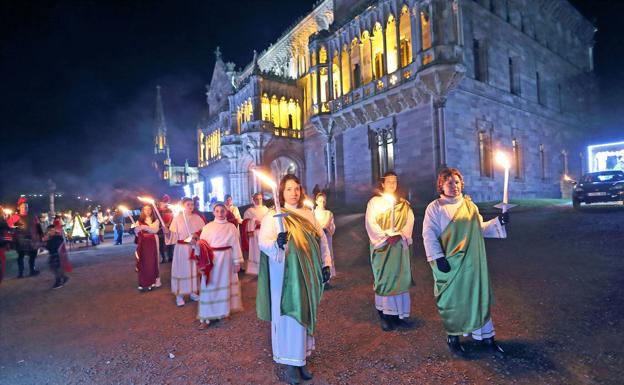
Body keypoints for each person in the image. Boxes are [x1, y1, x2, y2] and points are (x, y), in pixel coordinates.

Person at [422, 167, 509, 358]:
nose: (455, 186)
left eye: (457, 182)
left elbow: (479, 229)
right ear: (441, 186)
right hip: (450, 263)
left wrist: (498, 222)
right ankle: (453, 337)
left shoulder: (470, 206)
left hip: (472, 263)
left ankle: (487, 337)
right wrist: (437, 257)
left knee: (477, 296)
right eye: (450, 182)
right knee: (452, 300)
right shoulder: (435, 208)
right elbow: (429, 235)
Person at [257, 174, 332, 384]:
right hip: (284, 277)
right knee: (288, 318)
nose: (294, 193)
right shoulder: (273, 215)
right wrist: (277, 244)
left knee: (304, 315)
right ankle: (290, 364)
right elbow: (263, 242)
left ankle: (301, 361)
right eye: (289, 189)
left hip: (307, 275)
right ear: (281, 192)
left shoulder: (308, 214)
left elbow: (322, 240)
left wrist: (326, 264)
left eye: (297, 189)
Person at [365, 171, 415, 332]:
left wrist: (400, 235)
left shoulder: (403, 203)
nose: (392, 184)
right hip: (382, 247)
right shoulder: (374, 202)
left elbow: (409, 220)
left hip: (398, 247)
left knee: (399, 278)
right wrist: (386, 237)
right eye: (389, 182)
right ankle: (385, 316)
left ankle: (399, 316)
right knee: (385, 280)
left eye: (394, 182)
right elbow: (371, 223)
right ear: (382, 184)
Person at [195, 202, 243, 329]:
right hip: (212, 260)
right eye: (217, 211)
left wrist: (237, 261)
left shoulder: (231, 227)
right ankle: (206, 318)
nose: (220, 213)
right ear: (213, 212)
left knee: (225, 285)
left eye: (223, 211)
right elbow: (202, 244)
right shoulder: (208, 227)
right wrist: (196, 246)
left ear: (226, 212)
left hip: (227, 258)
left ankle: (223, 312)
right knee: (209, 285)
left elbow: (235, 245)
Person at [168, 197, 205, 307]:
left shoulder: (197, 218)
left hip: (193, 248)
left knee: (193, 270)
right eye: (188, 204)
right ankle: (179, 295)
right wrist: (167, 232)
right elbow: (172, 235)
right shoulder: (177, 218)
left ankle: (193, 292)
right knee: (182, 270)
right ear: (183, 205)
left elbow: (203, 231)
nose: (190, 206)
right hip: (182, 248)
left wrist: (196, 237)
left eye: (192, 204)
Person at [8, 197, 43, 278]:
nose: (25, 208)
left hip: (32, 240)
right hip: (20, 240)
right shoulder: (15, 216)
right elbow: (9, 225)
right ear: (19, 208)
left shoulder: (33, 216)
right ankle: (20, 273)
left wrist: (41, 236)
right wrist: (12, 223)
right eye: (23, 207)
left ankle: (32, 270)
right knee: (20, 256)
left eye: (26, 207)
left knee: (33, 256)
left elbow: (38, 226)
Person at [134, 204, 162, 292]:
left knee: (154, 260)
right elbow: (137, 233)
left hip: (153, 240)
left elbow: (155, 230)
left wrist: (144, 227)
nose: (147, 211)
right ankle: (145, 281)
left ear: (152, 210)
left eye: (149, 209)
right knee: (144, 261)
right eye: (145, 209)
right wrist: (136, 230)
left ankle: (156, 280)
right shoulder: (140, 220)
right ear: (143, 211)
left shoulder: (156, 220)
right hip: (144, 242)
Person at [242, 192, 269, 275]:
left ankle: (265, 268)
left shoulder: (266, 209)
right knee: (256, 251)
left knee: (264, 250)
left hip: (265, 233)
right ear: (253, 200)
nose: (259, 201)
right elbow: (245, 223)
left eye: (260, 199)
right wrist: (253, 221)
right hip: (255, 234)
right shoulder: (249, 211)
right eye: (257, 199)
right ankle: (256, 269)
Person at [314, 192, 336, 279]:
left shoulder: (328, 214)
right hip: (316, 238)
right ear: (316, 201)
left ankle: (327, 278)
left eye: (324, 201)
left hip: (326, 238)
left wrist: (327, 229)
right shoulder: (313, 213)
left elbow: (332, 228)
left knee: (327, 254)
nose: (322, 203)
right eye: (320, 201)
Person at [43, 225, 70, 289]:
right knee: (54, 268)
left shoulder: (57, 237)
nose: (50, 232)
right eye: (49, 231)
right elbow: (48, 247)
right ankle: (63, 278)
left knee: (56, 268)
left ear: (55, 230)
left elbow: (55, 246)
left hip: (57, 255)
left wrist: (47, 243)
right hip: (53, 254)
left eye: (51, 230)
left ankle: (58, 282)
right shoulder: (50, 238)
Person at [157, 195, 175, 263]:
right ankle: (163, 257)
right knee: (161, 244)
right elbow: (157, 219)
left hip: (168, 228)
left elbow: (171, 217)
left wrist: (167, 224)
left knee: (169, 243)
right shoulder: (157, 211)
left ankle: (170, 256)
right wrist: (160, 225)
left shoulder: (169, 209)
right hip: (160, 229)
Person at [0, 206, 11, 284]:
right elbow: (8, 232)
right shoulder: (3, 222)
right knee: (2, 261)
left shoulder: (3, 222)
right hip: (1, 244)